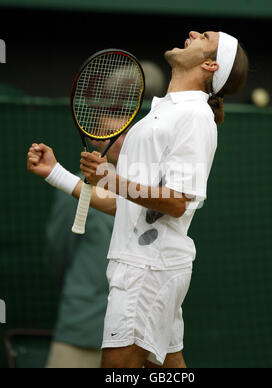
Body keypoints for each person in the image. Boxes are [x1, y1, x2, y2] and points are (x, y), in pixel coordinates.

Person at [27, 31, 248, 368]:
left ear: (210, 63)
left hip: (148, 269)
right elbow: (127, 206)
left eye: (203, 36)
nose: (191, 33)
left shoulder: (194, 116)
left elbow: (177, 201)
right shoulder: (163, 113)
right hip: (148, 266)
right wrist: (56, 172)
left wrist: (114, 180)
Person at [44, 135, 126, 368]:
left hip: (132, 334)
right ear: (95, 141)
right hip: (81, 327)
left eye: (125, 134)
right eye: (111, 135)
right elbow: (59, 251)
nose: (119, 142)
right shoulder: (75, 189)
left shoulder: (147, 193)